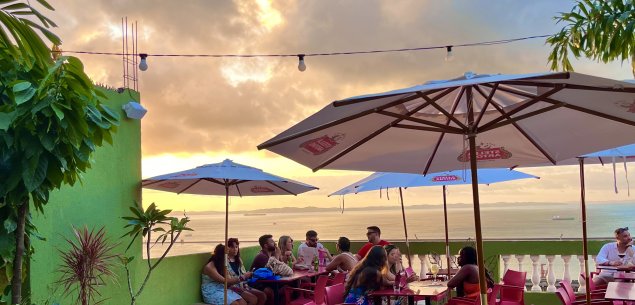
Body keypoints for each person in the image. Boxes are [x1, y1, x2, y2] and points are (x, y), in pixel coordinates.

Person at [226, 238, 268, 305]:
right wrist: (244, 277)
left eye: (236, 247)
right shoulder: (225, 262)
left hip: (243, 285)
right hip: (233, 287)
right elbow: (228, 280)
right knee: (253, 299)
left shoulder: (238, 260)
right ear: (227, 248)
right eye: (232, 247)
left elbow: (243, 274)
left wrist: (249, 275)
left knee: (263, 296)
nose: (235, 249)